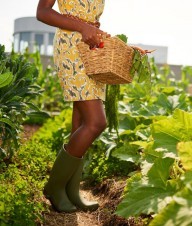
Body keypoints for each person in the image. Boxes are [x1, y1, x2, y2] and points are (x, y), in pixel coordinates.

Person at [36, 0, 110, 213]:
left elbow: (90, 19)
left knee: (82, 123)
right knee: (96, 122)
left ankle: (71, 190)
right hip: (72, 50)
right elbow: (42, 12)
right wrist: (83, 27)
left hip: (92, 52)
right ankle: (54, 186)